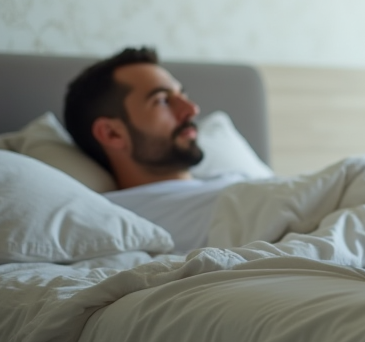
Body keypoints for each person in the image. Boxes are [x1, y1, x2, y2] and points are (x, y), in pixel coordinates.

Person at [63, 47, 245, 253]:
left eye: (182, 95)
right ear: (112, 133)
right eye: (162, 100)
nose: (191, 110)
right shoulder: (118, 220)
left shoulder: (234, 180)